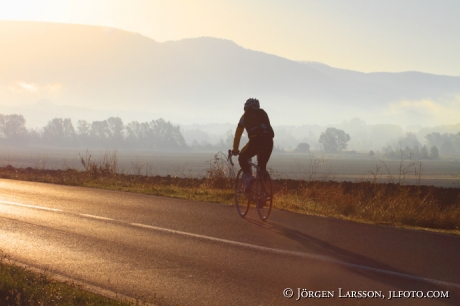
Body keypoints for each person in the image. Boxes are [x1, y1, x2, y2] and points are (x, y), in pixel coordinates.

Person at [232, 98, 274, 194]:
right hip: (269, 142)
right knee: (262, 167)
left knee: (242, 157)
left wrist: (235, 150)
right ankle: (263, 194)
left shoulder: (245, 116)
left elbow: (238, 135)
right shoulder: (263, 113)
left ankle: (248, 176)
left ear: (246, 107)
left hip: (256, 141)